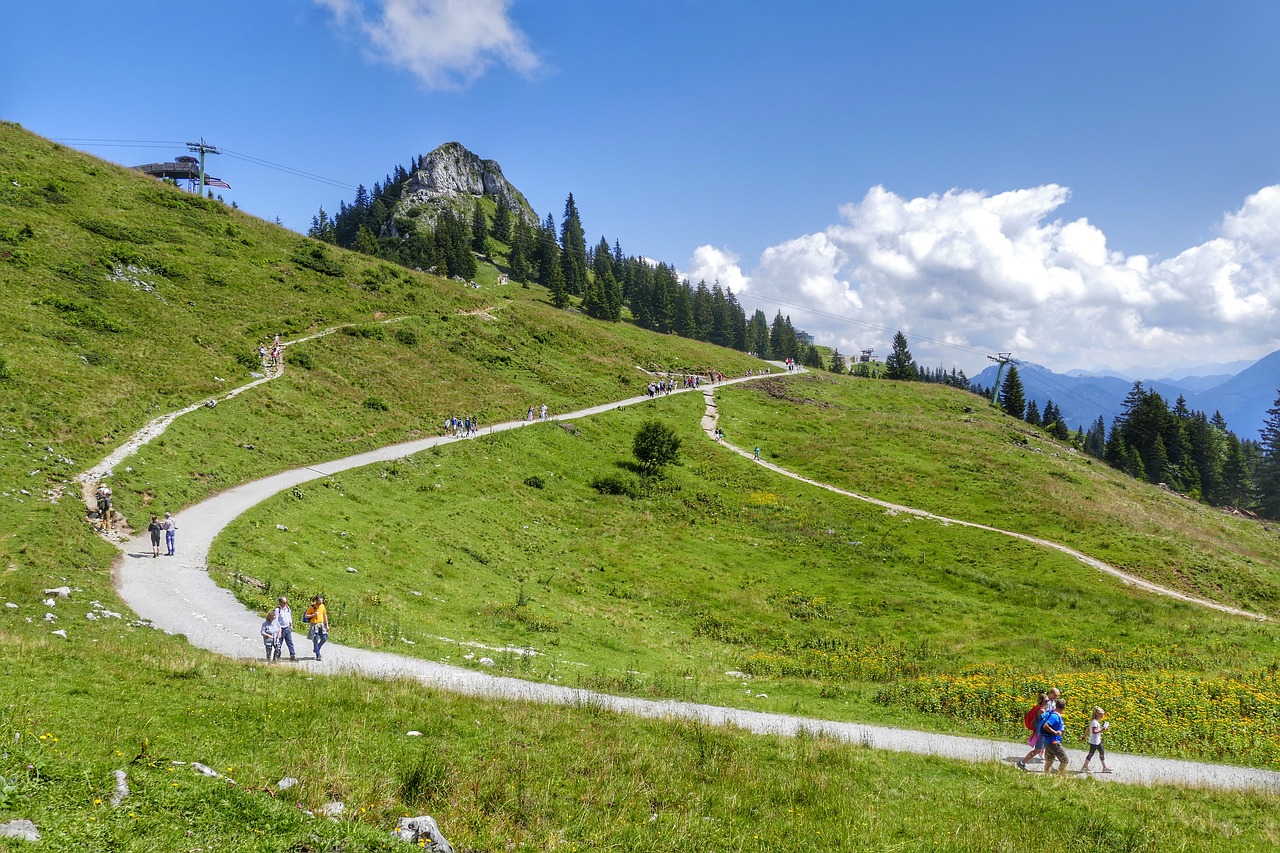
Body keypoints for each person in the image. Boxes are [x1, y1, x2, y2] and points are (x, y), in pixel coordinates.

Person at [1040, 698, 1069, 775]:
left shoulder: (1053, 712)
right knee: (1064, 760)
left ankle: (1046, 776)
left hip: (1048, 741)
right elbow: (1046, 726)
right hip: (1054, 742)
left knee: (1049, 760)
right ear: (1064, 707)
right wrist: (1055, 732)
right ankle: (1060, 776)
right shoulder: (1055, 716)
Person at [1081, 707, 1112, 772]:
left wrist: (1084, 736)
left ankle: (1105, 767)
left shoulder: (1094, 721)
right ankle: (1084, 767)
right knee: (1091, 753)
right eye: (1102, 714)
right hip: (1094, 741)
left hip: (1097, 740)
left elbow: (1088, 729)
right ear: (1098, 714)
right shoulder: (1095, 722)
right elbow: (1094, 731)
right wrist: (1102, 729)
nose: (1103, 716)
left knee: (1101, 752)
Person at [305, 594, 329, 661]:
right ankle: (318, 655)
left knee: (324, 638)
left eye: (321, 601)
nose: (320, 603)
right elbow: (306, 616)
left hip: (321, 624)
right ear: (316, 601)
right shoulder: (312, 607)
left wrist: (327, 624)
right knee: (315, 639)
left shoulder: (322, 606)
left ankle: (316, 648)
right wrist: (313, 614)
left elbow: (325, 615)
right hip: (314, 624)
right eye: (319, 601)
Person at [275, 596, 296, 661]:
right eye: (284, 603)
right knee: (279, 643)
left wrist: (291, 625)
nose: (285, 604)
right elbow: (276, 620)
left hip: (287, 627)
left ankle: (292, 655)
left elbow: (289, 617)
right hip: (280, 628)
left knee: (290, 642)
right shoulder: (277, 610)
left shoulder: (287, 608)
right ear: (280, 602)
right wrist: (278, 630)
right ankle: (277, 656)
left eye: (286, 602)